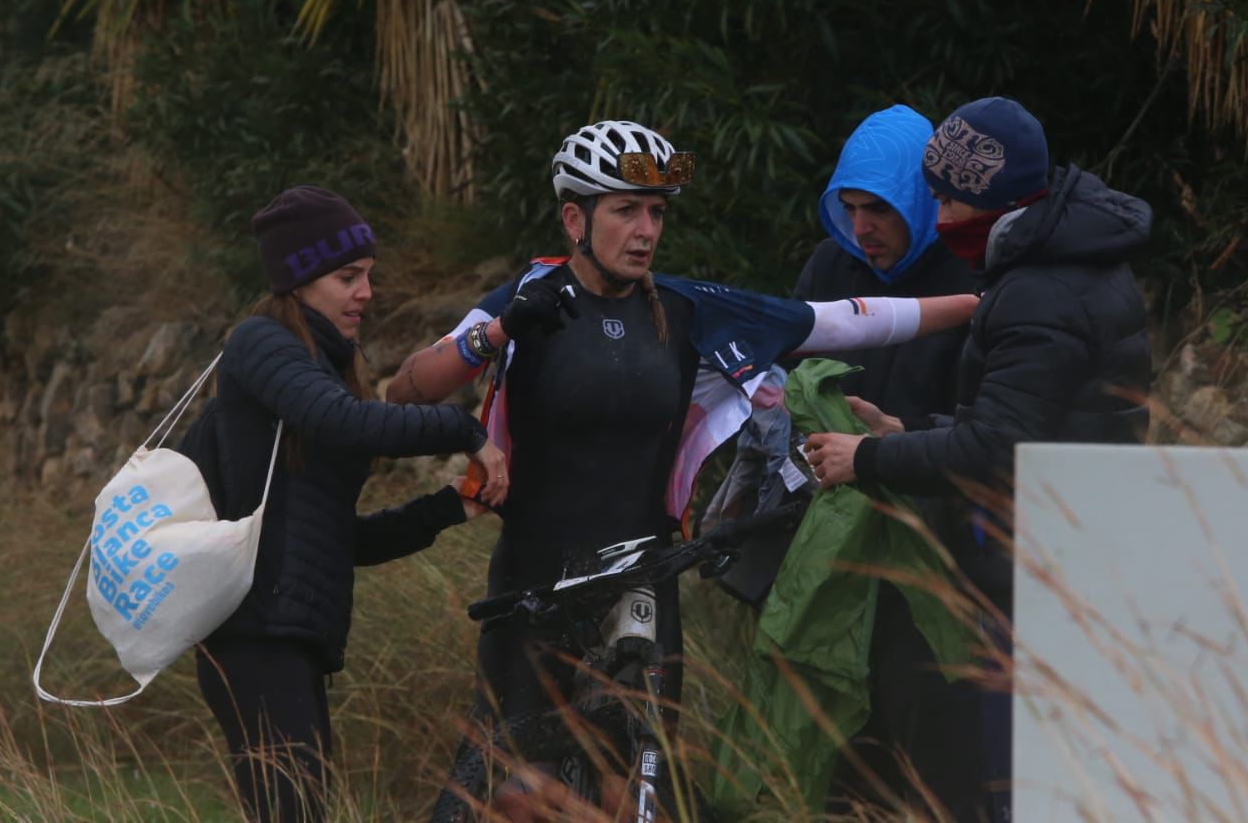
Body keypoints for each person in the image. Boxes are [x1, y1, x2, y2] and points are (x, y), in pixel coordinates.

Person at [388, 120, 979, 818]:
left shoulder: (683, 308)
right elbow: (408, 390)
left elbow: (847, 318)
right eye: (625, 210)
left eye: (657, 213)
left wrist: (991, 305)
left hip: (643, 576)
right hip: (533, 577)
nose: (645, 230)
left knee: (633, 791)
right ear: (575, 218)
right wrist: (499, 330)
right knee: (515, 791)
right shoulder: (530, 300)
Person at [803, 96, 1152, 822]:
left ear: (985, 199)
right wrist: (907, 433)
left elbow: (996, 449)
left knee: (1000, 782)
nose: (937, 215)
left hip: (1035, 567)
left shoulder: (1037, 292)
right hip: (1074, 549)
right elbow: (1020, 422)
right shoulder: (1062, 261)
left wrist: (866, 457)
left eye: (944, 198)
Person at [191, 185, 509, 823]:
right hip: (254, 636)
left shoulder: (320, 368)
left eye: (367, 275)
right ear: (299, 281)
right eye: (348, 277)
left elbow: (338, 539)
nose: (366, 292)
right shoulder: (259, 345)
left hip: (291, 638)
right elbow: (350, 423)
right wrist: (468, 432)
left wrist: (450, 507)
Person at [794, 104, 981, 817]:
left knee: (934, 742)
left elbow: (987, 423)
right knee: (840, 745)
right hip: (835, 544)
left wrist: (901, 438)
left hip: (936, 546)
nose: (861, 226)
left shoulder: (968, 271)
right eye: (848, 208)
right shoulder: (830, 264)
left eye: (878, 208)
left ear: (916, 199)